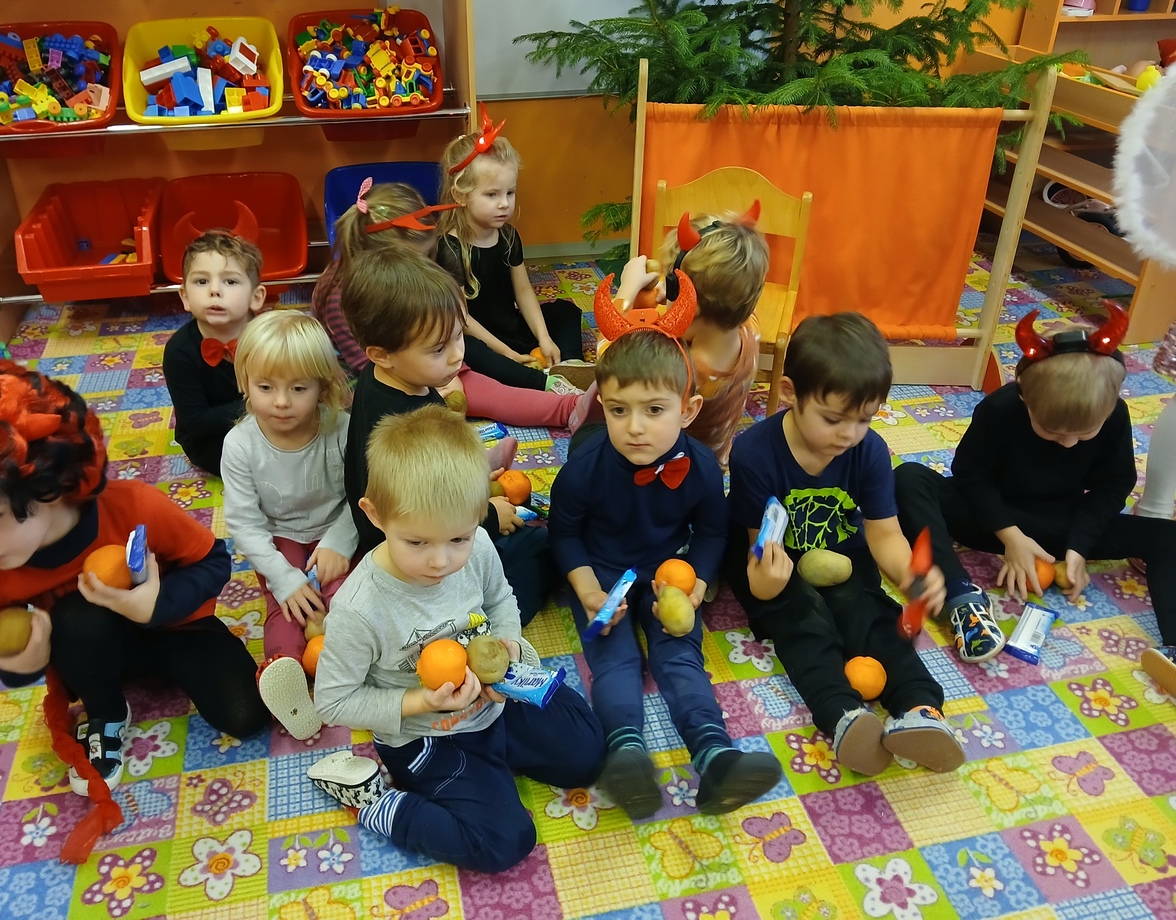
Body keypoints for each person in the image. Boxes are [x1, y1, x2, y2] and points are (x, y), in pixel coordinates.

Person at [0, 358, 267, 861]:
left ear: (50, 487)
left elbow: (214, 560)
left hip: (179, 625)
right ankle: (106, 710)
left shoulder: (134, 506)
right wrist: (21, 666)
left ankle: (154, 667)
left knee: (246, 717)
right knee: (76, 616)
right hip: (89, 648)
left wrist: (156, 604)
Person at [310, 405, 603, 873]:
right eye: (417, 542)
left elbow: (501, 600)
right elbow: (332, 701)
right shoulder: (359, 608)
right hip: (428, 737)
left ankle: (502, 756)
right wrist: (421, 701)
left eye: (458, 539)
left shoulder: (479, 545)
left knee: (588, 753)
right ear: (375, 515)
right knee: (506, 841)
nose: (441, 561)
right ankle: (374, 800)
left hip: (494, 701)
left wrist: (507, 647)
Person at [549, 325, 782, 819]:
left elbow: (712, 531)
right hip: (603, 574)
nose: (635, 427)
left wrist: (697, 582)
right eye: (619, 410)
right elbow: (564, 535)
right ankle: (625, 754)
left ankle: (715, 756)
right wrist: (588, 591)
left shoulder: (701, 466)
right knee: (615, 658)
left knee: (679, 655)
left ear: (688, 410)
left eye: (654, 410)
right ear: (603, 406)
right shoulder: (582, 470)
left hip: (667, 573)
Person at [723, 313, 963, 776]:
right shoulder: (753, 453)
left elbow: (884, 533)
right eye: (833, 419)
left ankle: (921, 708)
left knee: (870, 611)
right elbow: (759, 552)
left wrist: (912, 575)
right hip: (773, 557)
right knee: (803, 620)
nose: (849, 434)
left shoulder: (868, 450)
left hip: (842, 552)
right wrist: (767, 584)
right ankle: (842, 716)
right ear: (790, 393)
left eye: (864, 419)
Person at [895, 304, 1176, 694]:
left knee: (1167, 537)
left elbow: (1114, 485)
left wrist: (1079, 546)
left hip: (1060, 527)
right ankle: (962, 600)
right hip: (989, 518)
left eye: (1083, 434)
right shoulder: (1000, 407)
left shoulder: (1114, 414)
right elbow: (971, 476)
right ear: (1025, 398)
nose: (1069, 443)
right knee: (909, 478)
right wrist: (1010, 536)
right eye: (1052, 432)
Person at [341, 246, 555, 624]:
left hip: (401, 532)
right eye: (438, 349)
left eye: (458, 336)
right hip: (413, 551)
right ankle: (473, 625)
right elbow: (430, 515)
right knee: (545, 546)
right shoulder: (410, 422)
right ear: (382, 354)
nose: (457, 355)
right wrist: (489, 517)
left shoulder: (381, 381)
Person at [311, 180, 584, 428]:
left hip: (414, 351)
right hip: (367, 379)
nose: (423, 267)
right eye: (416, 261)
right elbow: (371, 365)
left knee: (474, 370)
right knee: (417, 413)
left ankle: (571, 406)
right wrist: (436, 383)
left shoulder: (396, 278)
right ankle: (561, 408)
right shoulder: (341, 296)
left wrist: (448, 361)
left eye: (425, 258)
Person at [222, 311, 357, 739]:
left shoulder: (343, 430)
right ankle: (285, 673)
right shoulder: (239, 445)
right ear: (245, 382)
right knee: (288, 606)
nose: (281, 401)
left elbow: (365, 496)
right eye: (266, 387)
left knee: (346, 595)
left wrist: (340, 540)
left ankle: (353, 667)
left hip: (334, 527)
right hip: (278, 536)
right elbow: (244, 523)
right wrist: (282, 578)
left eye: (298, 389)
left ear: (322, 387)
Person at [574, 206, 768, 467]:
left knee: (584, 440)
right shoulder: (749, 328)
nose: (663, 291)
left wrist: (627, 290)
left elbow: (611, 352)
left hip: (662, 461)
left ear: (692, 307)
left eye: (671, 284)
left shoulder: (684, 366)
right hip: (711, 460)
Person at [437, 106, 585, 391]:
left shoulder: (507, 236)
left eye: (510, 192)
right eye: (492, 195)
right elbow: (461, 318)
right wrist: (507, 354)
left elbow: (524, 291)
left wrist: (543, 337)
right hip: (481, 339)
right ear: (460, 196)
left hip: (512, 328)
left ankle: (571, 365)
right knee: (464, 349)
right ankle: (543, 383)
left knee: (565, 310)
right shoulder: (450, 248)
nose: (504, 203)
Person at [162, 230, 266, 476]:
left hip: (272, 418)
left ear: (256, 297)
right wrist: (259, 405)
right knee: (248, 461)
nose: (215, 290)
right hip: (211, 436)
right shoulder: (179, 351)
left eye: (230, 281)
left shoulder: (270, 336)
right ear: (185, 297)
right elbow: (197, 421)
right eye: (202, 282)